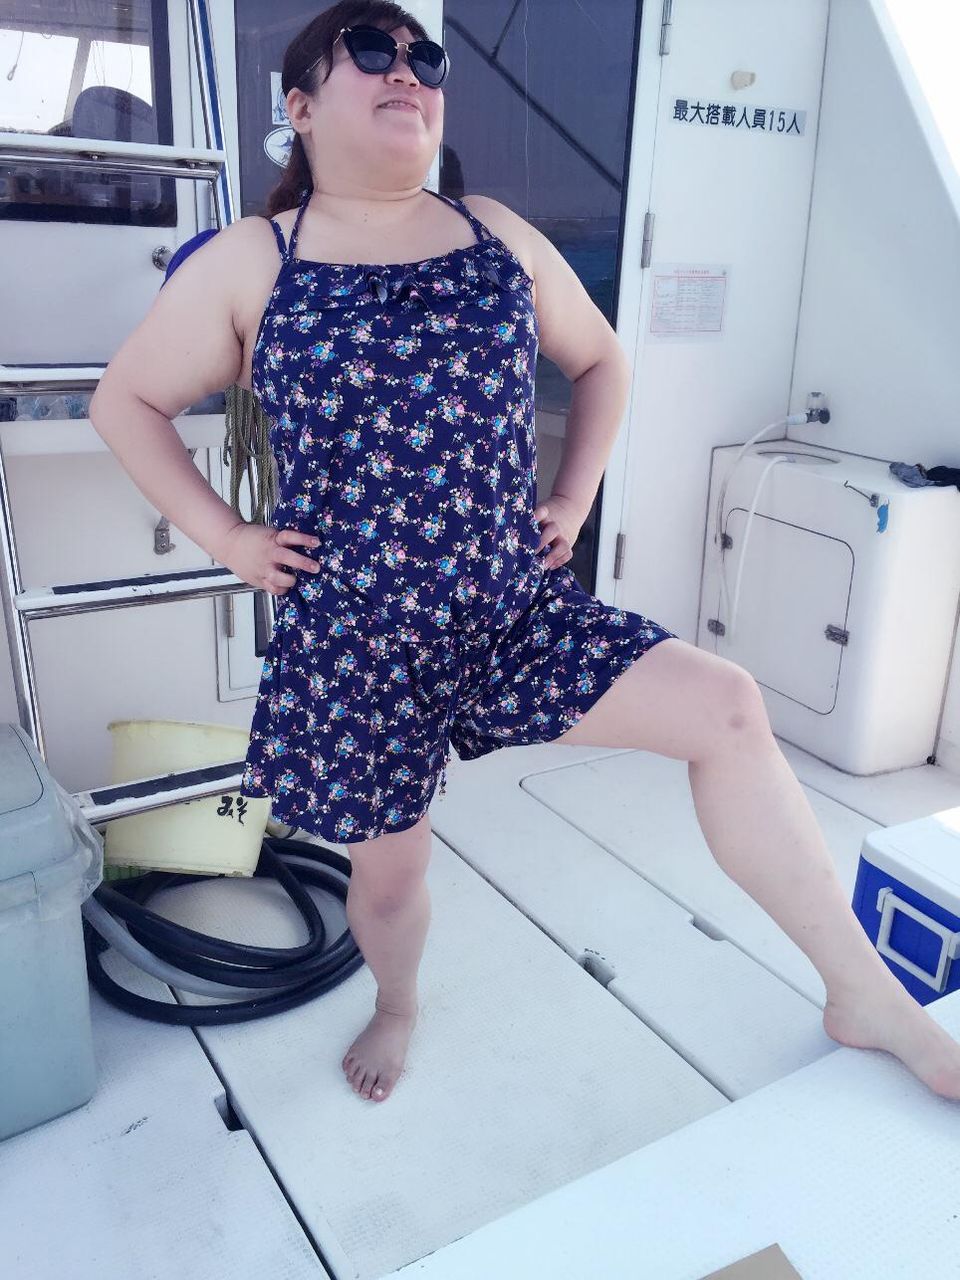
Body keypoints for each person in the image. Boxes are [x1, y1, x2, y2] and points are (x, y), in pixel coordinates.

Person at [90, 0, 960, 1107]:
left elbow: (601, 361)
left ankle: (861, 993)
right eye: (372, 52)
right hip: (358, 637)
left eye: (425, 56)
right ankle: (397, 1002)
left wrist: (574, 494)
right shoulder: (253, 260)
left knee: (730, 709)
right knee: (392, 878)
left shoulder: (495, 230)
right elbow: (126, 401)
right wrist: (228, 536)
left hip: (513, 607)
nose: (407, 70)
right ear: (300, 108)